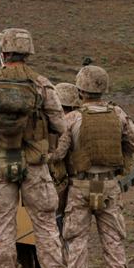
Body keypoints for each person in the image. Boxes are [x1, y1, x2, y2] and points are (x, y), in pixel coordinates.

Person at [0, 28, 76, 268]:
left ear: (3, 53)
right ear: (28, 52)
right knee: (44, 224)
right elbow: (60, 124)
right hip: (35, 164)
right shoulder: (41, 84)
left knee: (3, 226)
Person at [49, 65, 134, 268]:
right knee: (113, 239)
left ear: (81, 91)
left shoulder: (73, 118)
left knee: (77, 239)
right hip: (109, 185)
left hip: (80, 186)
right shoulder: (118, 114)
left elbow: (58, 153)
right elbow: (133, 143)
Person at [50, 83, 83, 215]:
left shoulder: (68, 121)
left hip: (73, 184)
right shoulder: (82, 118)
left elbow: (58, 153)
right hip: (100, 183)